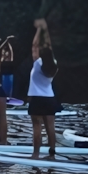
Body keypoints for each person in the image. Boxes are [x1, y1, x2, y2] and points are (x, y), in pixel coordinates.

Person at [28, 19, 59, 159]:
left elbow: (34, 45)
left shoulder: (37, 64)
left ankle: (35, 155)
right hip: (50, 98)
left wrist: (39, 29)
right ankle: (52, 154)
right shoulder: (54, 66)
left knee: (37, 127)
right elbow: (49, 49)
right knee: (50, 128)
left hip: (37, 98)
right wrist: (46, 29)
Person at [0, 37, 17, 102]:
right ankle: (4, 100)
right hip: (4, 75)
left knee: (9, 89)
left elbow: (10, 50)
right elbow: (0, 50)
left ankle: (9, 100)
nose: (4, 52)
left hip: (9, 75)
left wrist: (7, 41)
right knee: (4, 89)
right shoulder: (2, 58)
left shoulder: (10, 57)